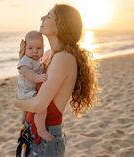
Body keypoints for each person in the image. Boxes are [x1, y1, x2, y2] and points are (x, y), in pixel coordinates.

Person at [14, 4, 98, 157]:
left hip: (46, 141)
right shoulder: (48, 54)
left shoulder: (64, 58)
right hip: (31, 132)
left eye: (49, 16)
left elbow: (39, 105)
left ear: (61, 25)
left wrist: (15, 102)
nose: (42, 18)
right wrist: (23, 61)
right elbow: (29, 85)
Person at [17, 30, 54, 142]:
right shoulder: (25, 60)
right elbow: (26, 72)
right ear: (25, 49)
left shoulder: (37, 60)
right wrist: (37, 78)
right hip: (25, 92)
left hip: (28, 90)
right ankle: (41, 130)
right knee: (41, 108)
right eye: (30, 48)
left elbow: (41, 67)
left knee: (31, 103)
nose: (34, 51)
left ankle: (24, 116)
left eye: (38, 48)